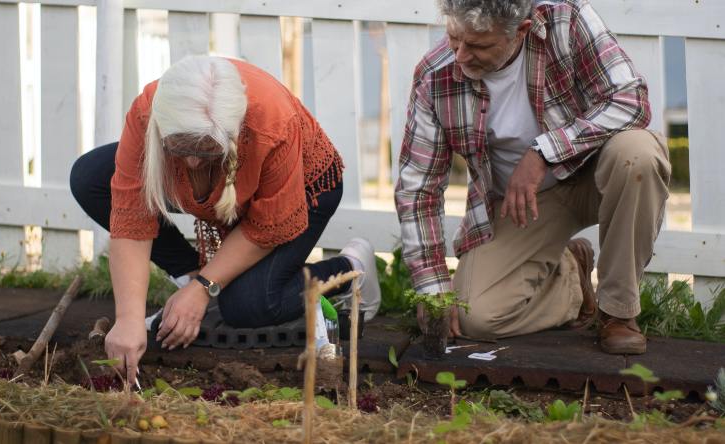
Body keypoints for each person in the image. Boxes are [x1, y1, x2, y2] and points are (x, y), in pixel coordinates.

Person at [71, 56, 381, 382]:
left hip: (303, 190)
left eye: (205, 151)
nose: (190, 162)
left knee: (248, 306)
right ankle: (190, 278)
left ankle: (350, 270)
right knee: (90, 177)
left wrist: (207, 288)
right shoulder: (150, 110)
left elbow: (264, 228)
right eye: (180, 147)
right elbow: (132, 218)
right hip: (227, 182)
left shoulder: (271, 123)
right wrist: (129, 319)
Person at [395, 0, 670, 354]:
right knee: (475, 318)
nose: (461, 56)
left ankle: (617, 313)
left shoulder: (567, 21)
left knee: (639, 155)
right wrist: (431, 286)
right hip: (525, 202)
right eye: (453, 38)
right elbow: (419, 188)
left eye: (478, 45)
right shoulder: (435, 75)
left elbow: (631, 99)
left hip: (599, 175)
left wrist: (544, 152)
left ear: (520, 31)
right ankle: (571, 273)